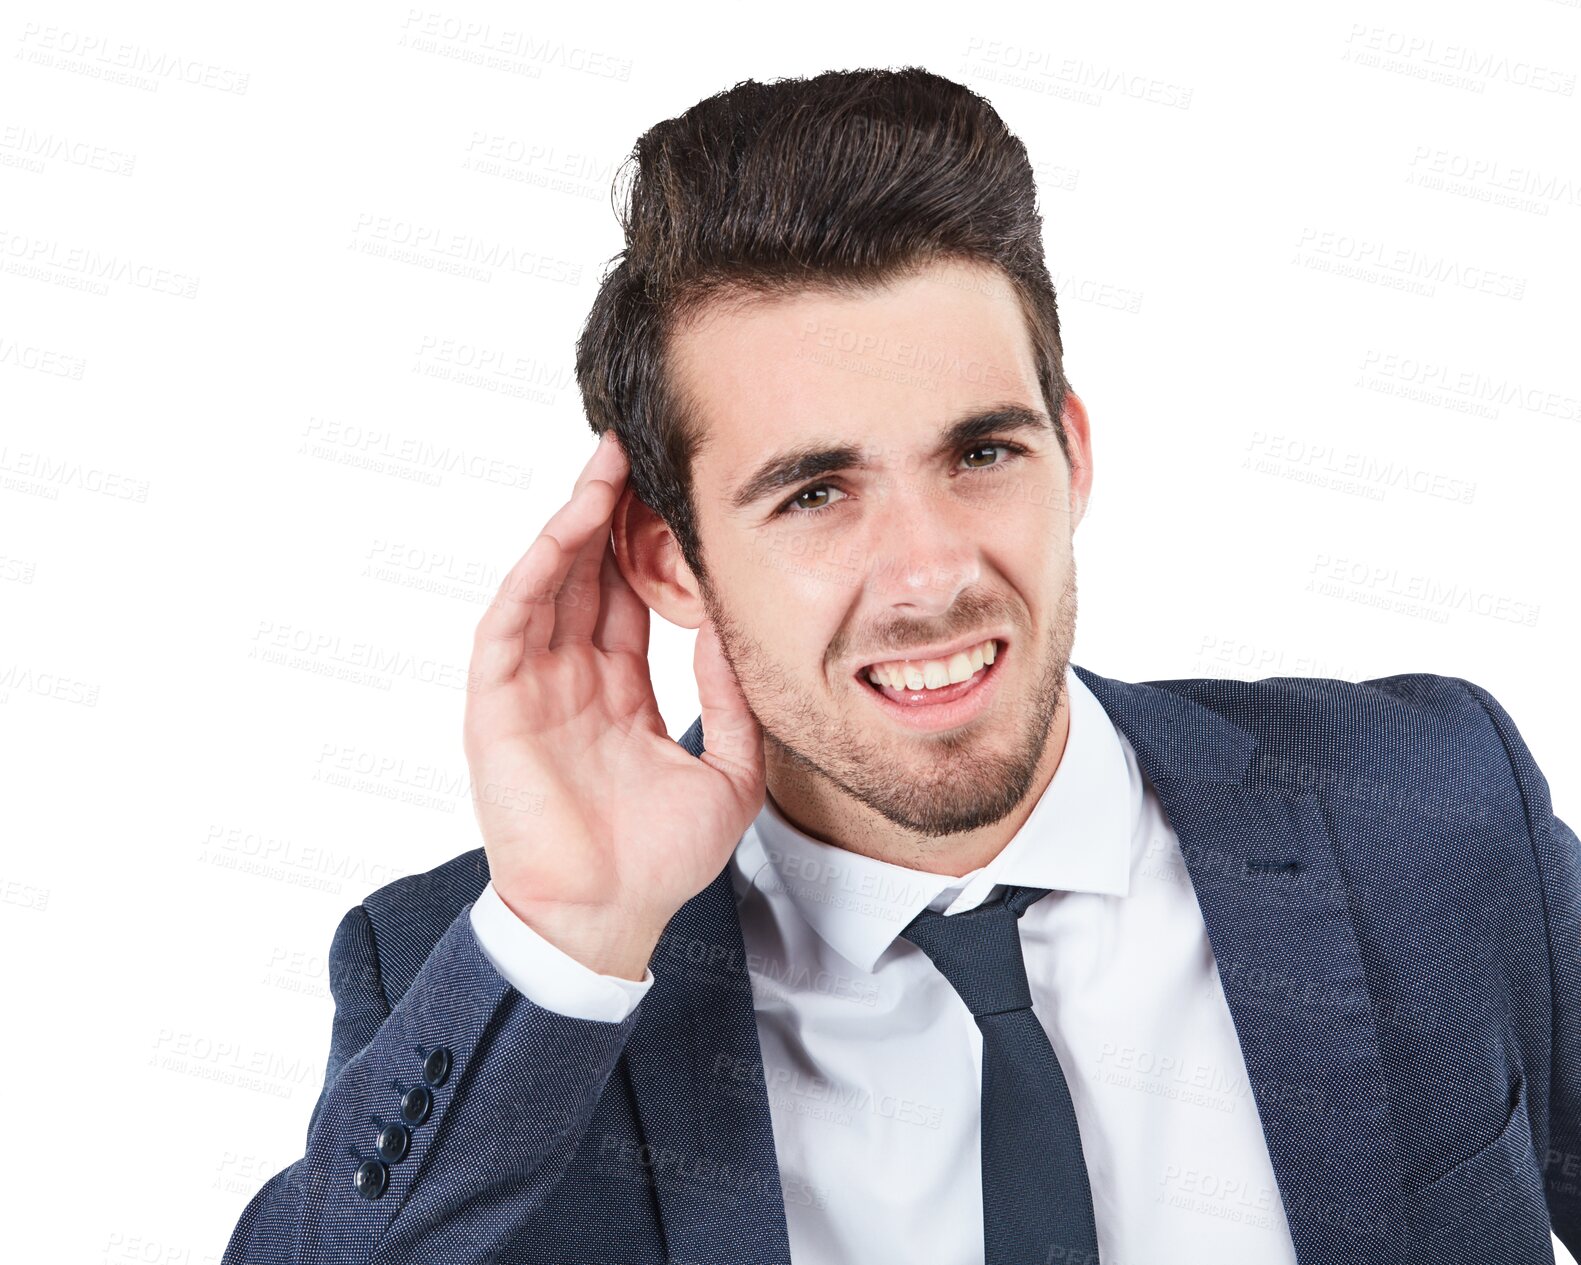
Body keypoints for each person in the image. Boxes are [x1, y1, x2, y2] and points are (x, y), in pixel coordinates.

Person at [221, 67, 1578, 1265]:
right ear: (667, 561)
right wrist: (569, 942)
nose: (930, 574)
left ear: (1073, 455)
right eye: (814, 492)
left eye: (981, 452)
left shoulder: (1428, 817)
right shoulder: (500, 980)